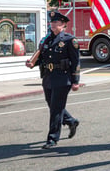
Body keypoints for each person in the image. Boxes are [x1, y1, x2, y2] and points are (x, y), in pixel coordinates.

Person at [26, 11, 81, 149]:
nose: (53, 25)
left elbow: (76, 61)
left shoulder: (69, 40)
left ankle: (52, 139)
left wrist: (76, 80)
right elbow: (42, 57)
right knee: (53, 105)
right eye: (52, 22)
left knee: (56, 109)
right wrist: (32, 63)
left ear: (63, 25)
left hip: (63, 78)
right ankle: (71, 121)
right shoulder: (46, 40)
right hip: (48, 77)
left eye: (56, 23)